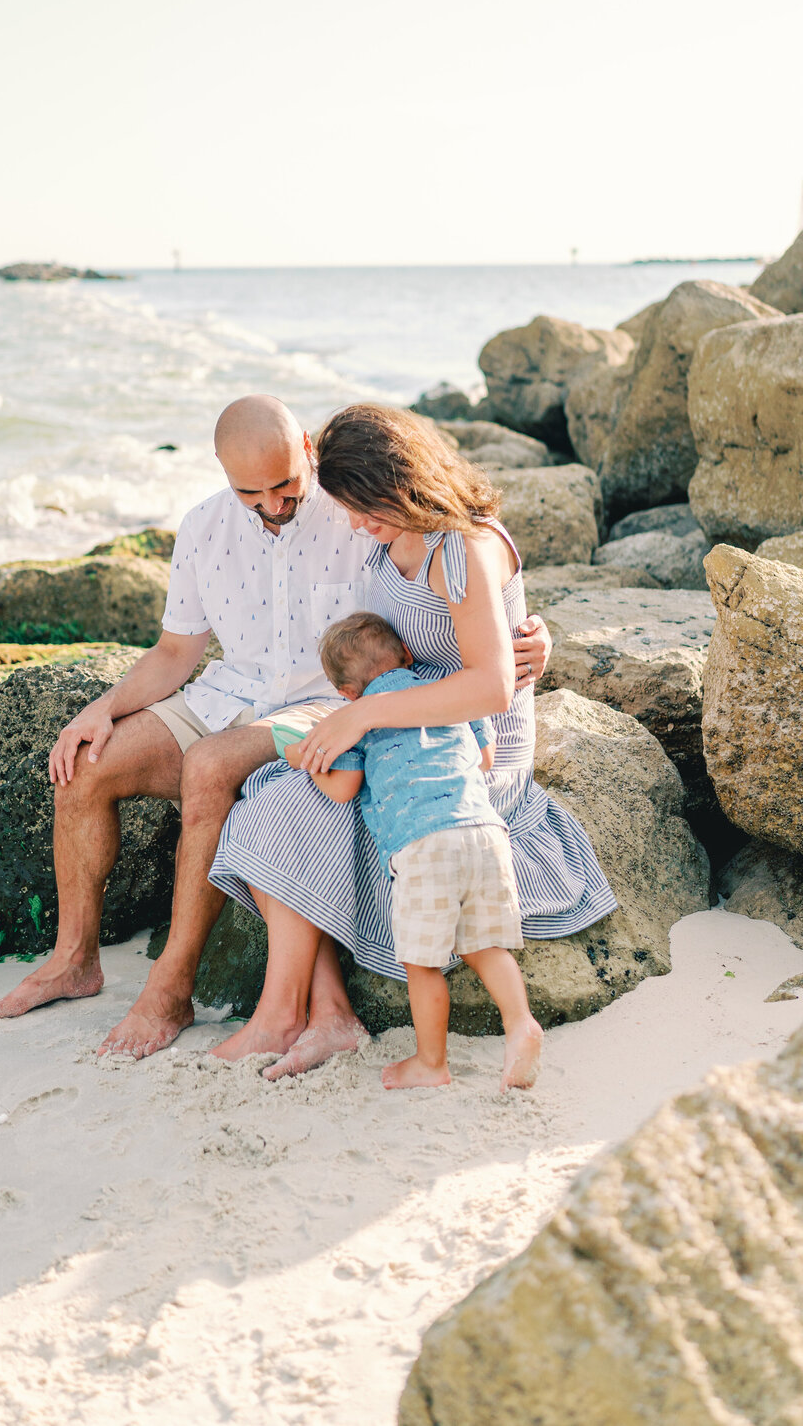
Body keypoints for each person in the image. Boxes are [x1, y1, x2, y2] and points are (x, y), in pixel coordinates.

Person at [0, 391, 558, 1061]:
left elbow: (454, 616)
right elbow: (175, 653)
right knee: (84, 766)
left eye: (285, 486)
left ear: (308, 451)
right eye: (252, 492)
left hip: (325, 704)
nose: (274, 505)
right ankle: (73, 961)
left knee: (217, 770)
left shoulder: (358, 514)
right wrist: (101, 709)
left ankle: (172, 988)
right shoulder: (207, 528)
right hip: (230, 695)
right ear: (223, 473)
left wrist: (536, 644)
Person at [209, 401, 616, 1078]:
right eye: (350, 508)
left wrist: (360, 718)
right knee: (273, 791)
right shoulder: (385, 536)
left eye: (367, 507)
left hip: (470, 751)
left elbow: (489, 686)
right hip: (407, 725)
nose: (357, 525)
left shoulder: (466, 546)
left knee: (313, 801)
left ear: (403, 482)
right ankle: (305, 1013)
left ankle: (291, 1015)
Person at [287, 610, 542, 1093]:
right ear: (406, 654)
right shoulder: (447, 690)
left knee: (424, 964)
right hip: (485, 831)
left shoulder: (355, 719)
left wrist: (304, 760)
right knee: (486, 947)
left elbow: (342, 789)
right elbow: (486, 758)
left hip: (423, 844)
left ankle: (431, 1062)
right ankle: (520, 1022)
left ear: (345, 693)